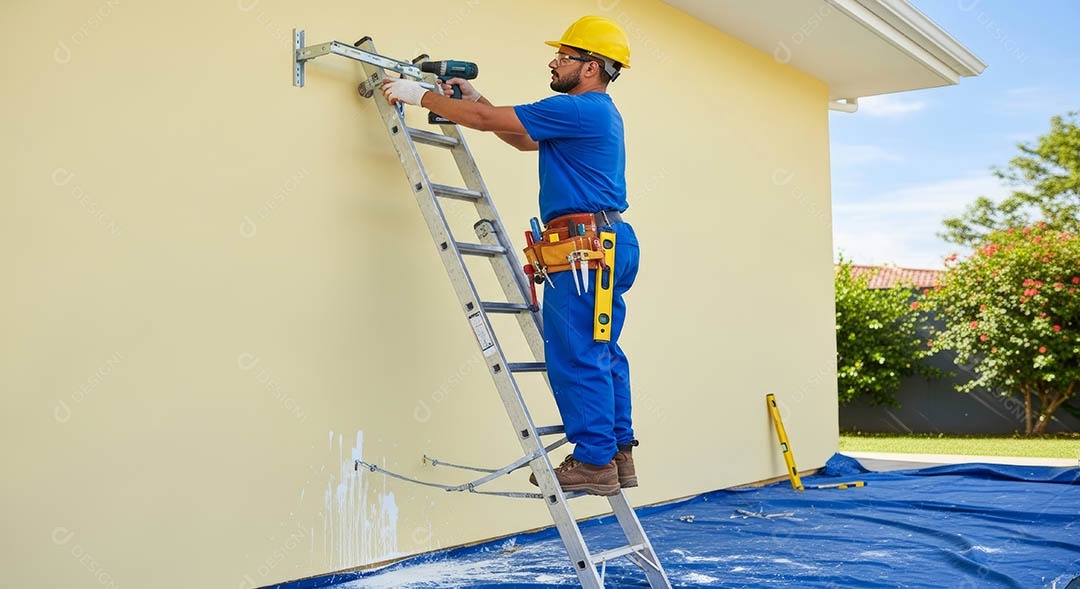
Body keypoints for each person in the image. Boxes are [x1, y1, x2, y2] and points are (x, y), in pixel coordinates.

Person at [381, 15, 639, 497]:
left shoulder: (581, 109)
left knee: (575, 353)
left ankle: (594, 461)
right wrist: (477, 100)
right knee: (602, 350)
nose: (554, 61)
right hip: (607, 244)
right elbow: (521, 136)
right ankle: (617, 453)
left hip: (582, 251)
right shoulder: (594, 114)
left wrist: (417, 95)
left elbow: (483, 124)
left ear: (591, 68)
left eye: (565, 56)